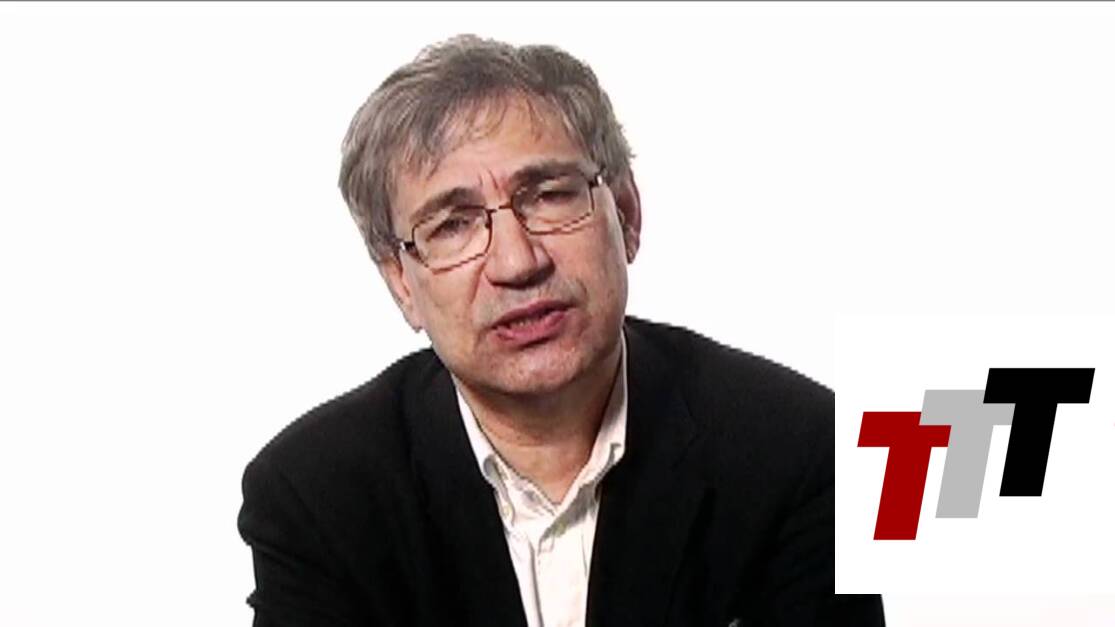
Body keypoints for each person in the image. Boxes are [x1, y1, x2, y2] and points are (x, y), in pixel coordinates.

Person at [238, 34, 884, 627]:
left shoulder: (800, 449)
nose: (516, 262)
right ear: (401, 282)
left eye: (549, 195)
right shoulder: (316, 496)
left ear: (626, 213)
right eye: (452, 225)